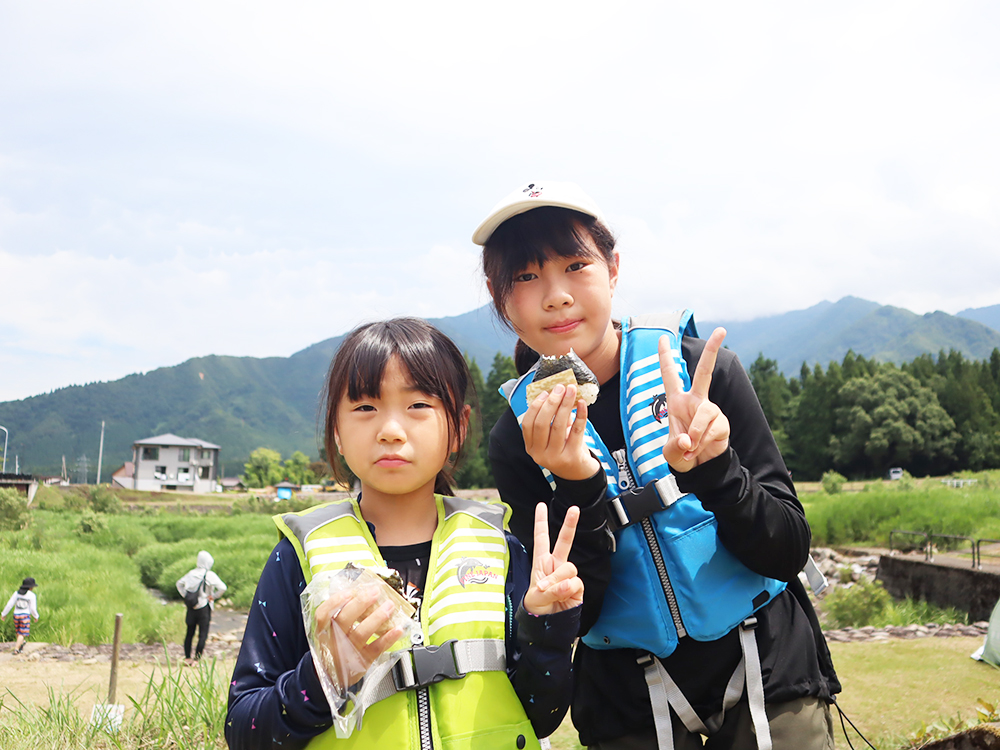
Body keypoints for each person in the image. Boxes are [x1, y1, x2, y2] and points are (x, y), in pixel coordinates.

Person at [474, 181, 841, 750]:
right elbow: (578, 616)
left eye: (576, 266)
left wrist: (716, 469)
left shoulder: (701, 373)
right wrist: (579, 484)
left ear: (613, 269)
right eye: (525, 277)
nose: (555, 296)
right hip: (628, 696)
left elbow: (788, 550)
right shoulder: (517, 439)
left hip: (767, 665)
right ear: (501, 299)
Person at [226, 317, 584, 750]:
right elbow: (244, 730)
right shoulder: (297, 557)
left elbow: (542, 715)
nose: (390, 430)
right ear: (336, 432)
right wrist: (324, 673)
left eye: (418, 406)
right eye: (364, 408)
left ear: (459, 426)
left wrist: (548, 626)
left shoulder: (500, 549)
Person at [176, 550, 227, 665]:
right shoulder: (209, 575)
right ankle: (197, 659)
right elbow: (223, 587)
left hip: (191, 607)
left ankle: (187, 658)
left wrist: (186, 596)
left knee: (189, 633)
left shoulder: (191, 573)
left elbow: (179, 584)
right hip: (204, 607)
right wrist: (213, 596)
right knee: (202, 634)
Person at [2, 576, 39, 654]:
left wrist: (3, 614)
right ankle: (16, 649)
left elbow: (10, 604)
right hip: (25, 615)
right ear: (30, 587)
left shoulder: (17, 593)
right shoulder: (32, 595)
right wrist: (36, 616)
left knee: (18, 632)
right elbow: (32, 608)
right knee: (22, 633)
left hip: (16, 615)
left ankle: (21, 643)